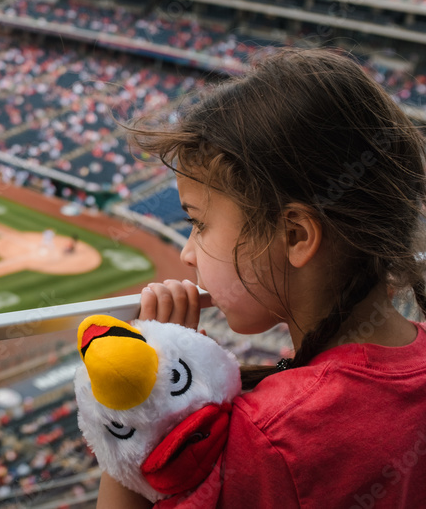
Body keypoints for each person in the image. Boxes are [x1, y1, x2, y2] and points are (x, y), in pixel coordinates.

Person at [96, 48, 426, 508]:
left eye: (198, 223)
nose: (188, 253)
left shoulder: (273, 437)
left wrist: (141, 406)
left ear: (295, 235)